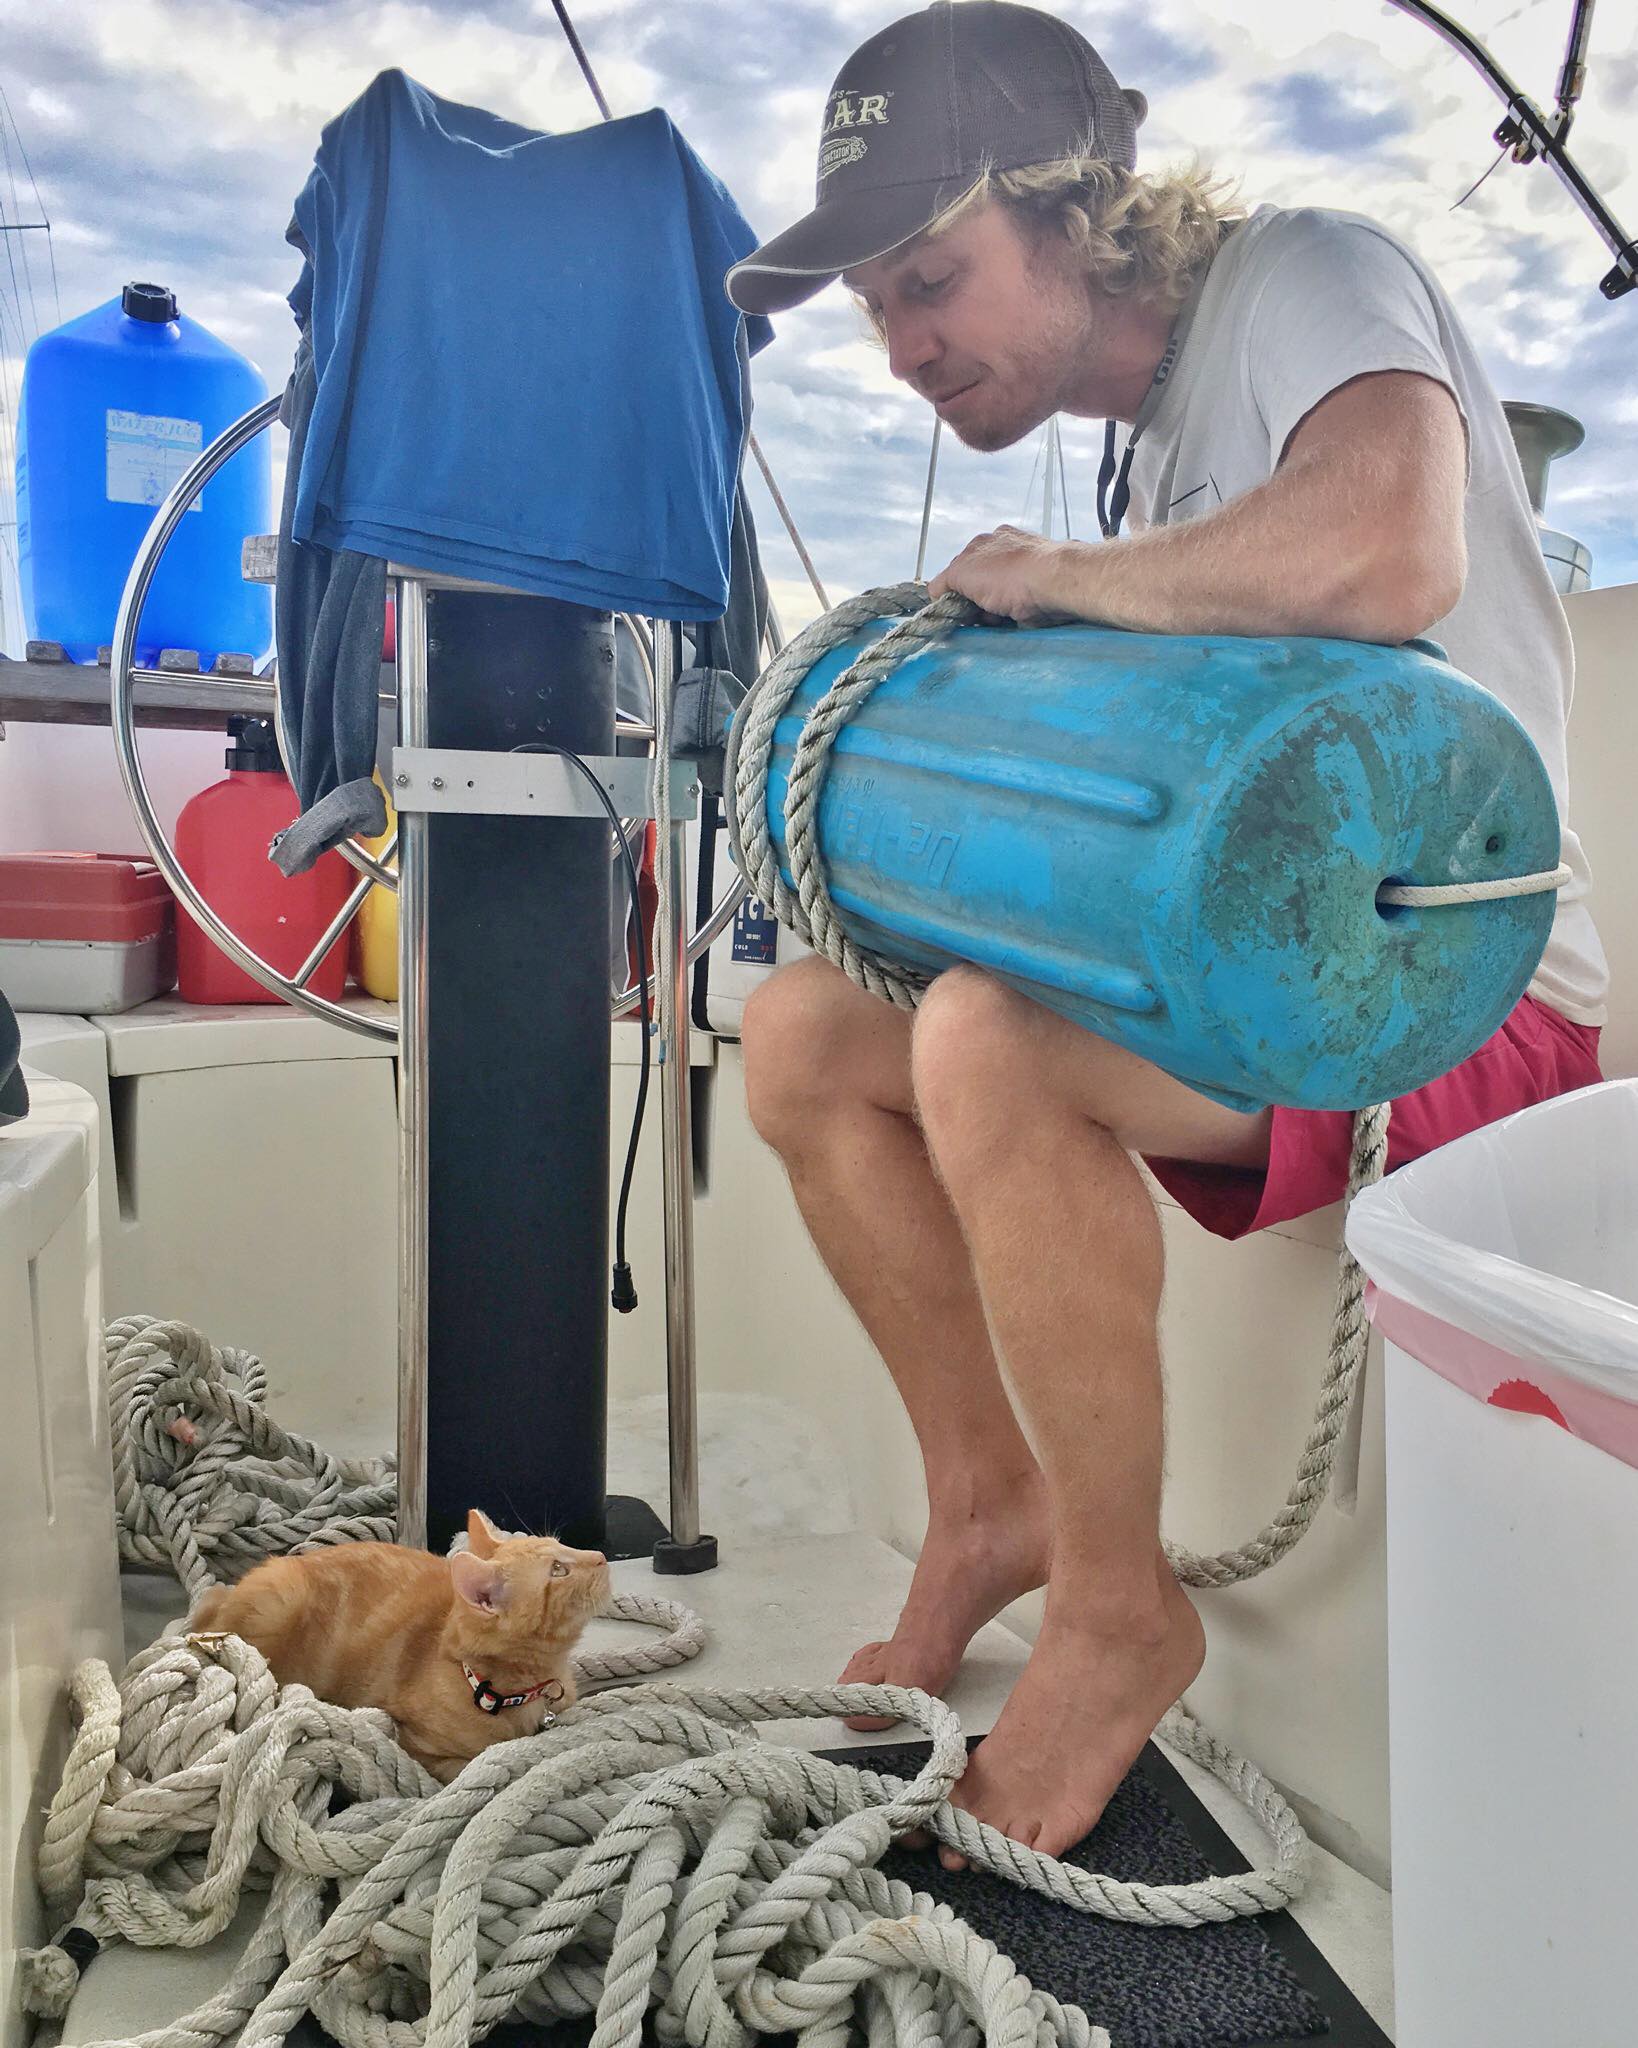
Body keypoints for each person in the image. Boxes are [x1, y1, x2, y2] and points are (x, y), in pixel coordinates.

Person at [724, 0, 1608, 1865]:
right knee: (805, 1033)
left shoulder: (1304, 274)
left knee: (980, 1038)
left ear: (1078, 215)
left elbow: (1391, 547)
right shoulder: (1138, 463)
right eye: (876, 308)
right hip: (1252, 981)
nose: (900, 352)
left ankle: (1123, 1611)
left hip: (1458, 1000)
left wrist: (1058, 584)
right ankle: (990, 1508)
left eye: (930, 281)